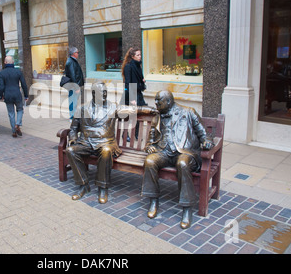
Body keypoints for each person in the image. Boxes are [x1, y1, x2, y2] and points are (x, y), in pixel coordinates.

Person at [66, 81, 155, 204]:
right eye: (101, 92)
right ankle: (83, 185)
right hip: (86, 142)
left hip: (106, 143)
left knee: (106, 151)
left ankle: (103, 187)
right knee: (71, 151)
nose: (104, 95)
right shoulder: (82, 109)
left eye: (105, 92)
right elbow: (73, 128)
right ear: (93, 93)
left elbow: (134, 109)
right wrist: (72, 138)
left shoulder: (113, 107)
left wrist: (152, 110)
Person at [141, 90, 214, 229]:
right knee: (149, 161)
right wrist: (150, 146)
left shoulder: (188, 112)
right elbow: (151, 137)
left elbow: (203, 133)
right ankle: (153, 200)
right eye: (155, 100)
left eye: (158, 101)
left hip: (184, 151)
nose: (155, 103)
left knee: (182, 163)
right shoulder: (158, 115)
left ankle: (187, 209)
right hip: (164, 151)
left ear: (168, 101)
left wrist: (207, 142)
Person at [0, 56, 29, 138]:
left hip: (7, 95)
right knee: (20, 110)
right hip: (17, 94)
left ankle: (13, 130)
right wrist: (26, 95)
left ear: (5, 62)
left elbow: (1, 87)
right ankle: (18, 124)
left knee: (11, 113)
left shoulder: (2, 73)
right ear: (13, 62)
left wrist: (0, 95)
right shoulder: (18, 72)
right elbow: (24, 84)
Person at [121, 47, 147, 140]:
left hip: (138, 93)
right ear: (132, 56)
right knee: (128, 116)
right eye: (138, 55)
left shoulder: (138, 65)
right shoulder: (128, 66)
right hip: (130, 94)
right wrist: (131, 98)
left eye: (140, 55)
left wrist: (142, 80)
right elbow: (128, 83)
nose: (140, 57)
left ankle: (136, 135)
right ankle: (125, 134)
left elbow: (138, 79)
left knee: (138, 115)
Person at [64, 46, 84, 120]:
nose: (78, 54)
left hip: (74, 86)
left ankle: (74, 115)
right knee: (73, 101)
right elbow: (72, 76)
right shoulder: (70, 62)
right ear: (74, 53)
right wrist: (76, 87)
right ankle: (72, 117)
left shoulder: (72, 61)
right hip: (73, 86)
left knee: (74, 101)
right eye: (77, 52)